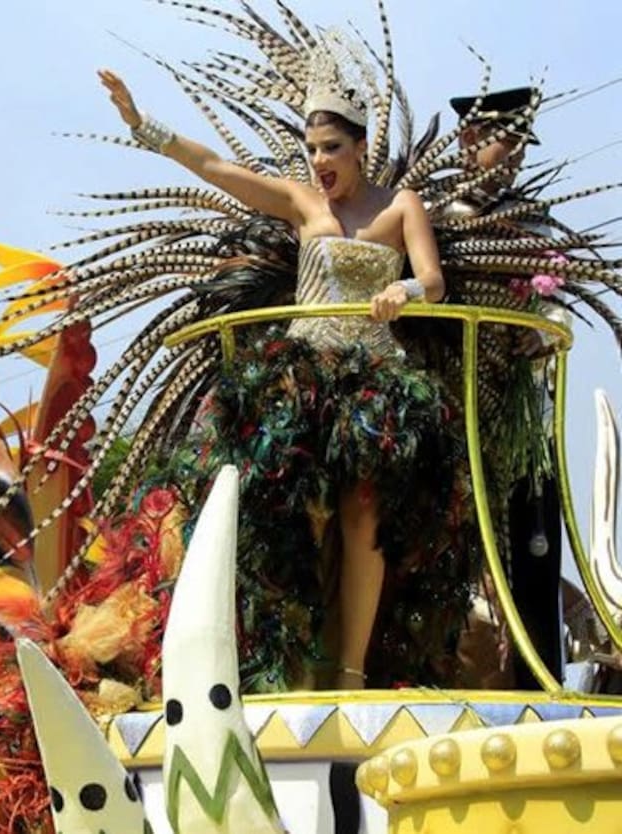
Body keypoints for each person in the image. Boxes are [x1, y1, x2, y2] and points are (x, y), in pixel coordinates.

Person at [97, 65, 447, 690]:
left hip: (370, 384)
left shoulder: (400, 208)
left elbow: (434, 282)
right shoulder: (300, 201)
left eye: (332, 148)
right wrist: (139, 121)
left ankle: (350, 671)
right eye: (312, 149)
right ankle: (269, 654)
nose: (319, 161)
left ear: (362, 147)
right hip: (299, 379)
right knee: (271, 505)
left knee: (362, 516)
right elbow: (214, 170)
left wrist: (405, 289)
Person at [447, 87, 566, 689]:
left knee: (534, 543)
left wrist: (541, 335)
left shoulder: (535, 217)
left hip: (521, 412)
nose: (515, 153)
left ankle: (537, 678)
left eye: (521, 143)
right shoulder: (444, 214)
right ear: (470, 140)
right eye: (505, 140)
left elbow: (556, 310)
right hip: (460, 403)